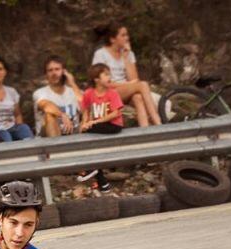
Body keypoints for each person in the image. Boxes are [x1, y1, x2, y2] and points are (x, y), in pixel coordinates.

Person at [92, 22, 161, 127]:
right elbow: (102, 83)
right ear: (112, 39)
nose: (127, 38)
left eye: (127, 35)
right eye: (123, 35)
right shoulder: (101, 54)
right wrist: (127, 85)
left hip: (125, 91)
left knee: (138, 98)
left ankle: (145, 130)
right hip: (108, 92)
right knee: (143, 85)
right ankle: (158, 121)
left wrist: (125, 57)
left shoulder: (129, 54)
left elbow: (133, 79)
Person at [77, 63, 123, 192]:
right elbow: (85, 110)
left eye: (109, 74)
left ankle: (90, 168)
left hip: (113, 125)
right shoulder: (89, 93)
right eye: (106, 74)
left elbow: (116, 113)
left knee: (88, 137)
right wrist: (84, 123)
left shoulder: (112, 93)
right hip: (98, 127)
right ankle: (103, 184)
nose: (109, 77)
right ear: (96, 79)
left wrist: (94, 123)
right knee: (89, 146)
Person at [33, 55, 82, 137]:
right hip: (47, 140)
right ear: (46, 74)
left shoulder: (74, 91)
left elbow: (85, 109)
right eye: (50, 70)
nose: (54, 73)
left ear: (64, 72)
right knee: (49, 115)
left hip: (73, 135)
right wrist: (62, 115)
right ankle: (56, 147)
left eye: (57, 69)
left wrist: (72, 84)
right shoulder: (39, 93)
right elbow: (46, 105)